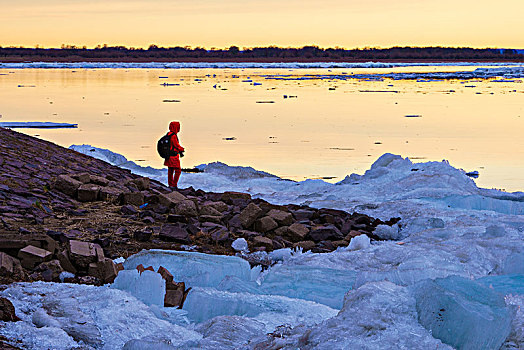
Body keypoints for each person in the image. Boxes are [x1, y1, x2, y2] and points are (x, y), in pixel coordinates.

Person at [164, 121, 185, 189]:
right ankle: (174, 185)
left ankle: (170, 184)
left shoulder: (168, 134)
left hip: (168, 156)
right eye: (178, 126)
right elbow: (176, 145)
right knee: (178, 170)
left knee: (170, 170)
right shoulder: (173, 136)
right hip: (173, 157)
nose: (179, 128)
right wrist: (182, 149)